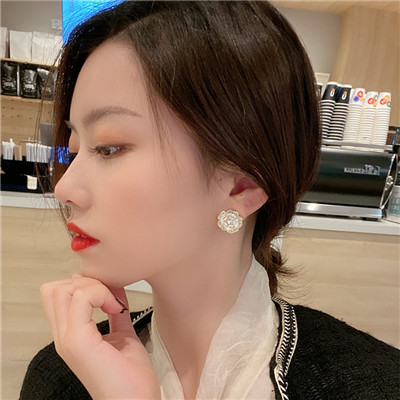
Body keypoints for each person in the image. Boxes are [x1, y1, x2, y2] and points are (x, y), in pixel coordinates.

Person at [20, 1, 399, 399]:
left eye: (109, 148)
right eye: (74, 149)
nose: (64, 189)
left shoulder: (375, 386)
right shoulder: (60, 376)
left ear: (242, 186)